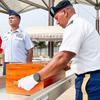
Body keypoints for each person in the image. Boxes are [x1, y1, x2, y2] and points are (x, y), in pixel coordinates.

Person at [18, 0, 100, 100]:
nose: (57, 22)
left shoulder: (74, 25)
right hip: (94, 77)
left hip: (90, 79)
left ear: (65, 12)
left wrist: (35, 78)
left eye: (57, 18)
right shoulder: (81, 23)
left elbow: (62, 57)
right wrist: (71, 64)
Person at [1, 10, 34, 75]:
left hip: (20, 64)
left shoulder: (24, 34)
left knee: (20, 84)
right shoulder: (5, 35)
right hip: (7, 65)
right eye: (9, 18)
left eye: (12, 18)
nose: (10, 20)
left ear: (18, 20)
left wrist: (29, 64)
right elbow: (3, 51)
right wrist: (3, 64)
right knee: (7, 84)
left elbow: (30, 50)